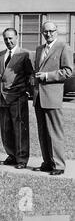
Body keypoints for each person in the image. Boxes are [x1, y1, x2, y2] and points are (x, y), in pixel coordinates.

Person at [32, 21, 73, 176]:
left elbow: (68, 71)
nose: (48, 34)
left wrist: (47, 76)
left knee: (55, 132)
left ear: (57, 31)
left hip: (53, 96)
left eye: (51, 31)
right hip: (39, 97)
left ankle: (59, 165)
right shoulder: (39, 49)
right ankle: (47, 162)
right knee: (43, 133)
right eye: (45, 32)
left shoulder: (64, 47)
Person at [0, 28, 33, 169]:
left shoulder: (24, 54)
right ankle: (11, 155)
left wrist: (26, 91)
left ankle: (21, 159)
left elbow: (30, 76)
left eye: (10, 38)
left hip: (18, 98)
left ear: (16, 37)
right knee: (5, 129)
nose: (8, 41)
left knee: (20, 129)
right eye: (5, 39)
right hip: (2, 98)